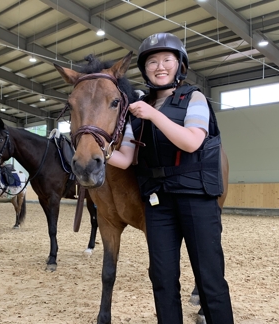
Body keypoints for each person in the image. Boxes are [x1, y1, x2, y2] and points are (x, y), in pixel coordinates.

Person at [108, 33, 234, 323]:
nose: (160, 66)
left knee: (209, 279)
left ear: (180, 65)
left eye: (167, 59)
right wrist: (94, 149)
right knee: (162, 278)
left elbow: (191, 142)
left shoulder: (194, 98)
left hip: (197, 198)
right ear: (145, 69)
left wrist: (152, 114)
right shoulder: (136, 113)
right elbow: (126, 158)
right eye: (152, 61)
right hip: (158, 202)